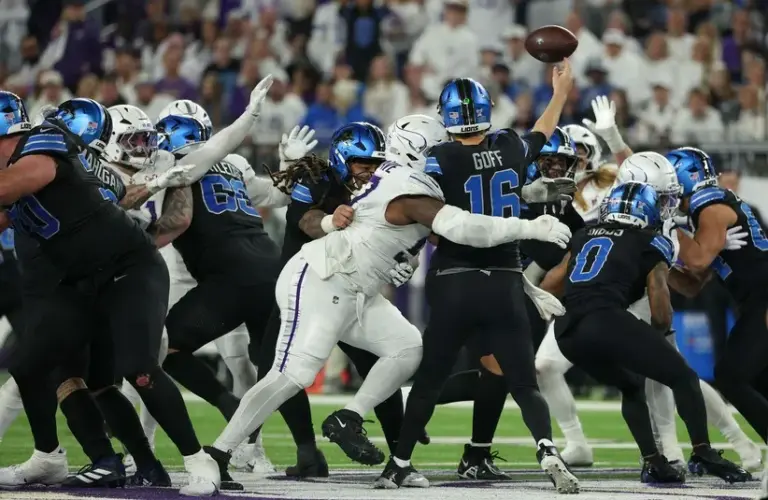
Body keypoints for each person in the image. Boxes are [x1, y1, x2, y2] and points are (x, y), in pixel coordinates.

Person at [0, 91, 221, 495]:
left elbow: (11, 185)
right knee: (31, 361)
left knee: (138, 367)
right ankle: (52, 457)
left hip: (128, 268)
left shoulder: (43, 144)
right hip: (80, 282)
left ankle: (197, 459)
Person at [376, 65, 579, 494]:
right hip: (505, 277)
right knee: (521, 380)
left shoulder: (437, 158)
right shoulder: (508, 145)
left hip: (455, 278)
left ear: (445, 117)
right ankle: (547, 449)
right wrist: (560, 91)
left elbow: (425, 222)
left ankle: (399, 463)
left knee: (430, 379)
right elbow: (543, 129)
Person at [244, 119, 436, 477]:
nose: (371, 171)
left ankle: (399, 455)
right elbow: (307, 221)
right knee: (274, 368)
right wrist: (333, 221)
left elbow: (406, 230)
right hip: (302, 290)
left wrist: (406, 259)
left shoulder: (384, 186)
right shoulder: (316, 179)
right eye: (364, 163)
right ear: (343, 159)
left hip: (352, 291)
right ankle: (306, 453)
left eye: (377, 163)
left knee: (379, 361)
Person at [540, 180, 750, 484]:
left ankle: (654, 462)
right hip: (607, 318)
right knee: (683, 376)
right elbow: (660, 305)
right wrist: (658, 338)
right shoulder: (651, 241)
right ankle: (703, 452)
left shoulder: (584, 234)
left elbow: (550, 286)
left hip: (567, 330)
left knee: (631, 386)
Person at [667, 147, 768, 446]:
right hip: (754, 298)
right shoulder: (703, 210)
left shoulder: (706, 201)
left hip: (764, 294)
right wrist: (660, 258)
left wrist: (667, 228)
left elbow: (696, 259)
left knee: (731, 376)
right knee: (755, 378)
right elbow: (692, 285)